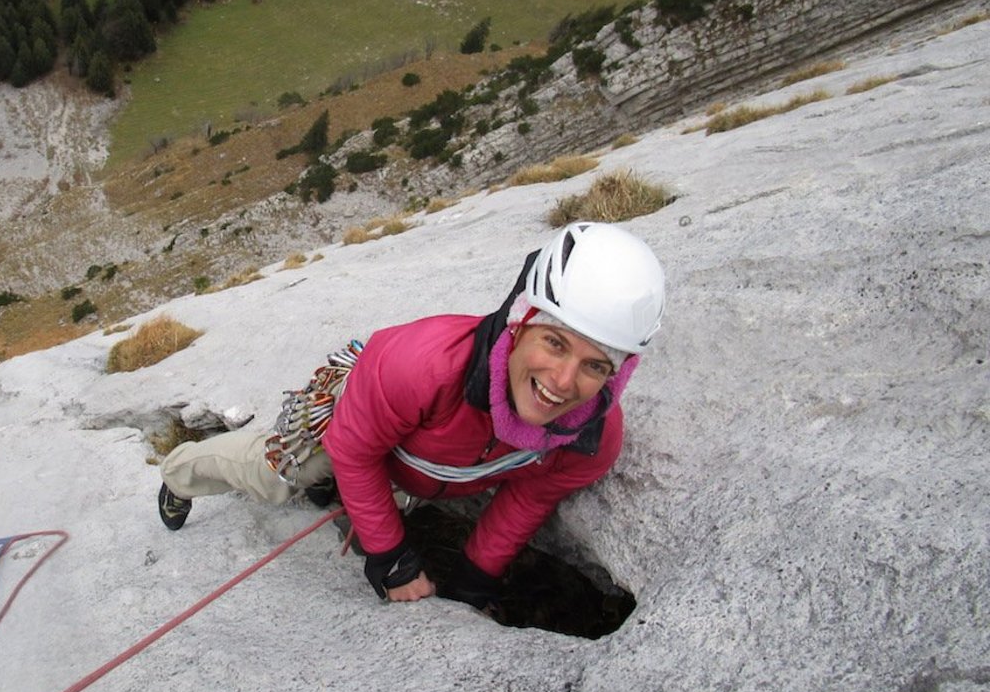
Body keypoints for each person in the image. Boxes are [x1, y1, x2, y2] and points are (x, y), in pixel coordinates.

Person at [156, 220, 665, 609]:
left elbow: (528, 500)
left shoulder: (589, 435)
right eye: (554, 342)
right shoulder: (422, 366)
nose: (561, 381)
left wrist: (476, 574)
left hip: (422, 464)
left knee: (384, 488)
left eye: (594, 365)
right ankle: (181, 472)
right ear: (519, 323)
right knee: (276, 476)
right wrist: (391, 558)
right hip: (356, 424)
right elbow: (355, 451)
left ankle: (336, 493)